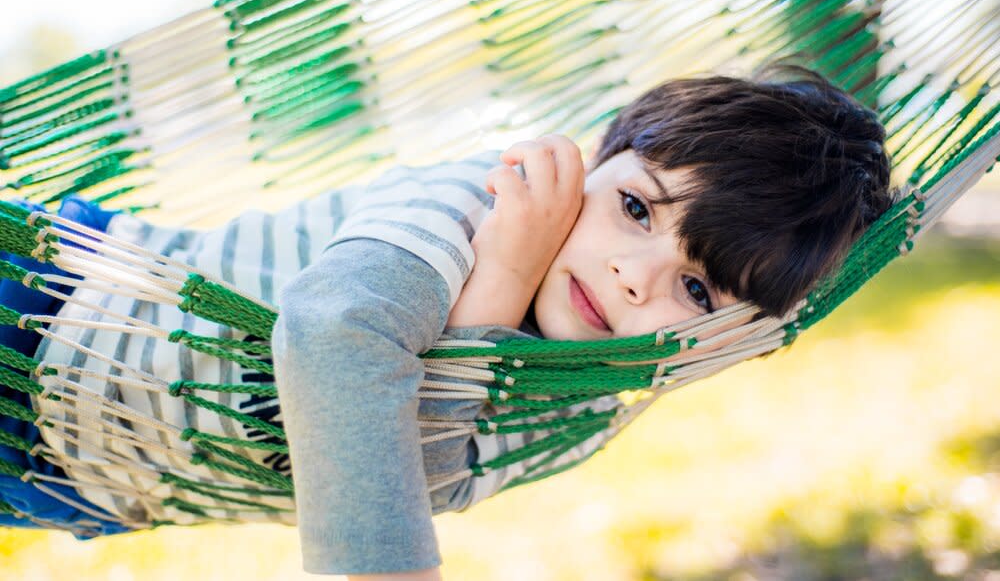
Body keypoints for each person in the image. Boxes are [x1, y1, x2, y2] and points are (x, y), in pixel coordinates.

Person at [0, 62, 895, 580]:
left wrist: (495, 304)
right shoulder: (485, 200)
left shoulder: (579, 407)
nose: (633, 275)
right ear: (600, 158)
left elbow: (416, 481)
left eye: (697, 291)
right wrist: (501, 263)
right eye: (634, 208)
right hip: (47, 308)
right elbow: (337, 330)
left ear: (730, 342)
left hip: (67, 476)